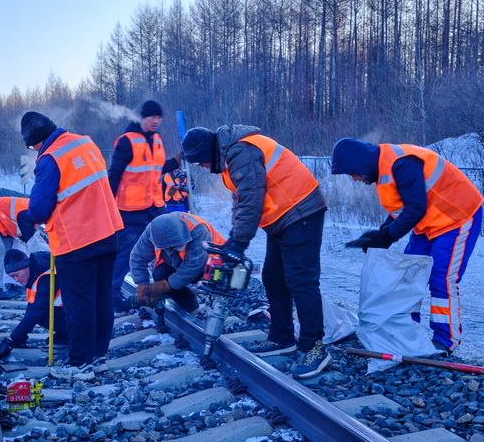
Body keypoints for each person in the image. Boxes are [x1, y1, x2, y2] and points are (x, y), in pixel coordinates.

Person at [181, 125, 329, 379]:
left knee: (300, 280)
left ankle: (314, 347)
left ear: (208, 151)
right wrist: (233, 241)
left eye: (201, 161)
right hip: (283, 218)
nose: (202, 166)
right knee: (273, 277)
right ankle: (282, 338)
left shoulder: (242, 151)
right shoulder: (231, 157)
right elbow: (241, 202)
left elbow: (252, 200)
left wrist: (239, 244)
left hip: (301, 210)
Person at [330, 138, 484, 354]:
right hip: (429, 223)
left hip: (457, 218)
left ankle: (445, 340)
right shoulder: (384, 168)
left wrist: (385, 237)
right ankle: (408, 330)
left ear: (360, 164)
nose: (354, 179)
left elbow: (415, 209)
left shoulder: (402, 163)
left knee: (441, 278)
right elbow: (402, 209)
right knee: (410, 274)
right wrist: (380, 234)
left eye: (352, 173)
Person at [15, 111, 123, 379]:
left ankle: (80, 364)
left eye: (31, 146)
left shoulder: (49, 158)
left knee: (79, 304)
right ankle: (99, 358)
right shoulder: (84, 142)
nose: (34, 151)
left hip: (77, 241)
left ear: (36, 141)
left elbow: (39, 209)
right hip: (108, 232)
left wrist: (25, 216)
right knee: (102, 298)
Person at [107, 100, 182, 312]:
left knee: (173, 239)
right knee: (127, 252)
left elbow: (155, 170)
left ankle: (175, 287)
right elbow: (114, 176)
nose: (156, 121)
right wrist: (108, 205)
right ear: (142, 118)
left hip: (154, 204)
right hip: (130, 208)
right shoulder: (126, 141)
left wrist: (176, 161)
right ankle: (112, 294)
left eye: (159, 118)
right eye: (152, 117)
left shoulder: (157, 140)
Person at [128, 211, 224, 314]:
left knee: (216, 277)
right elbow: (138, 256)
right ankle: (191, 307)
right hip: (180, 262)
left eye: (175, 247)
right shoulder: (152, 231)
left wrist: (166, 285)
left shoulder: (198, 230)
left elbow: (194, 265)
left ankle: (218, 309)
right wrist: (142, 284)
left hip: (211, 263)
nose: (171, 249)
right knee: (160, 274)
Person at [0, 249, 72, 362]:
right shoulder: (35, 271)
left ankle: (71, 335)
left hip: (82, 315)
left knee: (41, 314)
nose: (16, 280)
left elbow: (37, 310)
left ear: (26, 266)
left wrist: (11, 340)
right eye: (12, 277)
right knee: (39, 313)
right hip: (73, 311)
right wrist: (20, 338)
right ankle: (66, 335)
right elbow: (32, 306)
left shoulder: (46, 276)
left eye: (17, 275)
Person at [0, 195, 37, 300]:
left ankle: (10, 283)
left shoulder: (32, 209)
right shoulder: (26, 214)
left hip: (1, 224)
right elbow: (34, 246)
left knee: (8, 253)